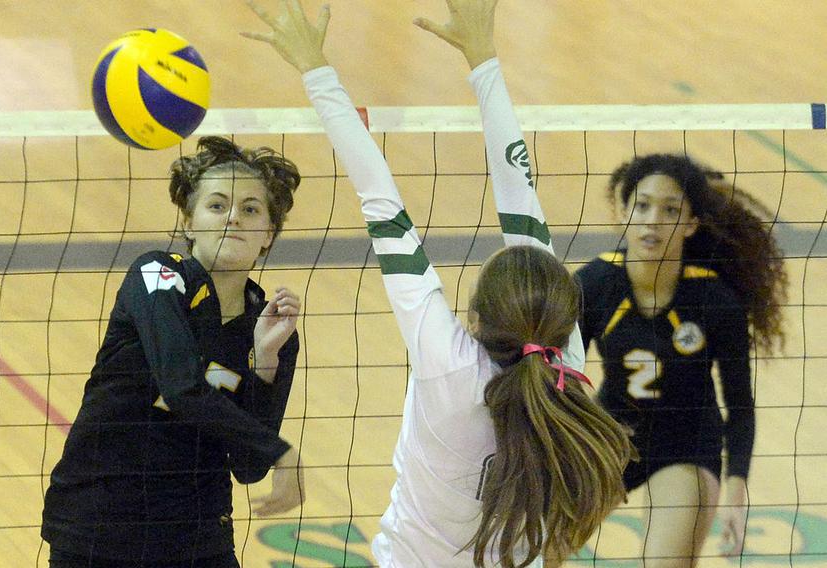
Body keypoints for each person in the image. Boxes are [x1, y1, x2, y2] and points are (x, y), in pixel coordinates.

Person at [243, 1, 634, 566]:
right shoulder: (563, 367)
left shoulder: (455, 365)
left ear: (475, 317)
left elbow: (383, 199)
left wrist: (316, 65)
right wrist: (483, 58)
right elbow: (511, 209)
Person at [41, 136, 306, 568]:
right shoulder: (158, 276)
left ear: (268, 236)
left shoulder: (272, 326)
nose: (233, 218)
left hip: (196, 535)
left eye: (251, 209)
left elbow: (246, 467)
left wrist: (266, 361)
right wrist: (282, 451)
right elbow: (182, 386)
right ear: (189, 222)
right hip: (100, 524)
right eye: (217, 206)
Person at [576, 154, 787, 566]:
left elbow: (740, 406)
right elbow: (559, 378)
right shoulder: (594, 285)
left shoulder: (713, 300)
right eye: (642, 205)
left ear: (690, 224)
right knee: (540, 547)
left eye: (670, 209)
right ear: (621, 214)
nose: (653, 220)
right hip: (613, 437)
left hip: (686, 446)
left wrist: (735, 492)